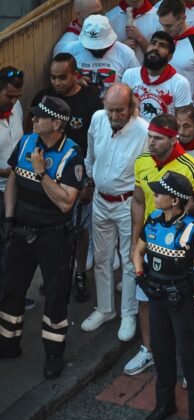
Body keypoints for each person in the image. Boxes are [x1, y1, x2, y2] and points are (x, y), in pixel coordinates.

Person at [0, 96, 84, 378]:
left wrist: (41, 173)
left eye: (40, 117)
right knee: (11, 290)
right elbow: (13, 179)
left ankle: (53, 355)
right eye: (33, 115)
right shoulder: (26, 142)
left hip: (53, 239)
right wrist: (10, 219)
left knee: (55, 299)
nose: (33, 119)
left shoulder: (72, 155)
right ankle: (8, 343)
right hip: (21, 232)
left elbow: (65, 203)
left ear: (57, 123)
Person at [132, 171, 194, 420]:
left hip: (183, 302)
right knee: (162, 353)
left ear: (175, 200)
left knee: (190, 359)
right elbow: (137, 251)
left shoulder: (192, 228)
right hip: (157, 297)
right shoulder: (153, 220)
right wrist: (141, 277)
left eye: (159, 192)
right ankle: (165, 404)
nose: (154, 196)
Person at [127, 114, 194, 376]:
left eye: (158, 138)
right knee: (146, 299)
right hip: (150, 241)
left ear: (173, 139)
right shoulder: (141, 162)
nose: (151, 142)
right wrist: (135, 241)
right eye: (149, 136)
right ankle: (148, 351)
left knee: (184, 303)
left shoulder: (191, 168)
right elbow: (138, 202)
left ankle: (192, 360)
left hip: (179, 250)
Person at [31, 53, 103, 303]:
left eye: (62, 77)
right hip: (46, 171)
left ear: (75, 75)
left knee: (79, 230)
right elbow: (31, 134)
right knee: (50, 230)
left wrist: (89, 182)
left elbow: (97, 143)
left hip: (77, 172)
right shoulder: (43, 98)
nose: (57, 82)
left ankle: (80, 272)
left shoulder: (90, 102)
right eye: (53, 77)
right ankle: (53, 275)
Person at [80, 84, 148, 342]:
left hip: (128, 203)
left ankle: (128, 314)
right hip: (100, 200)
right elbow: (90, 153)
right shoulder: (98, 119)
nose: (113, 116)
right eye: (109, 110)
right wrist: (89, 181)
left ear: (131, 107)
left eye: (119, 110)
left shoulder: (143, 132)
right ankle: (105, 309)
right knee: (101, 257)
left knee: (130, 260)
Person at [121, 31, 193, 122]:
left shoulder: (180, 83)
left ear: (169, 57)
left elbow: (181, 122)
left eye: (162, 46)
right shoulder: (129, 75)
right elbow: (123, 109)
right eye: (153, 43)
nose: (155, 48)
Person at [62, 14, 140, 96]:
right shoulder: (70, 50)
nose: (96, 50)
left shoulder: (126, 54)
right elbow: (58, 81)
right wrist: (74, 83)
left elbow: (137, 85)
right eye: (91, 47)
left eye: (100, 47)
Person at [0, 67, 24, 285]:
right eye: (9, 96)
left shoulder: (16, 107)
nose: (13, 101)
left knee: (13, 245)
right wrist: (9, 170)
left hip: (16, 188)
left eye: (17, 97)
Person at [157, 0, 194, 94]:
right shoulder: (160, 40)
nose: (165, 30)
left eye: (169, 26)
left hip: (186, 106)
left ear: (183, 18)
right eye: (162, 25)